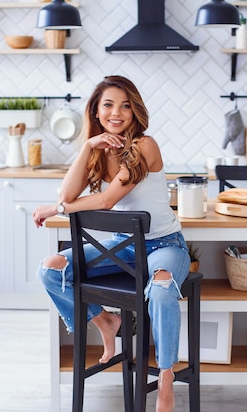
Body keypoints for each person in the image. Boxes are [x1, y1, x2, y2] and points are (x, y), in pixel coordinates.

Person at [33, 75, 190, 412]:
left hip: (164, 245)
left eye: (125, 105)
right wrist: (88, 145)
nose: (117, 112)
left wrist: (57, 209)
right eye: (108, 104)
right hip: (124, 247)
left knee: (162, 290)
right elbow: (67, 193)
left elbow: (105, 201)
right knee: (51, 270)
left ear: (135, 111)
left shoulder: (145, 146)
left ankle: (165, 379)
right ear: (96, 110)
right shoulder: (100, 150)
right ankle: (106, 321)